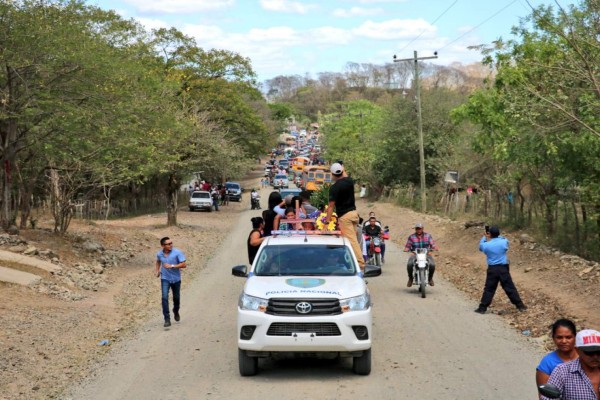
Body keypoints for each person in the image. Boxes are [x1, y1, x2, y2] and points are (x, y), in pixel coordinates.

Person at [474, 225, 527, 314]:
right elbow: (504, 240)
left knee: (489, 289)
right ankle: (520, 306)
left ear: (489, 234)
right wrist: (496, 236)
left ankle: (482, 308)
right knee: (509, 287)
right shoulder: (504, 242)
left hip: (492, 269)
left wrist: (485, 236)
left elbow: (480, 246)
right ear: (498, 234)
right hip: (503, 268)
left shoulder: (486, 245)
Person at [325, 162, 365, 271]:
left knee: (351, 241)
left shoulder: (334, 188)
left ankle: (360, 264)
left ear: (332, 173)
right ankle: (353, 263)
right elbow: (345, 174)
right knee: (354, 240)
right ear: (342, 171)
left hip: (345, 217)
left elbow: (331, 207)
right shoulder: (349, 181)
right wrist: (342, 167)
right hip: (354, 214)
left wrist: (327, 223)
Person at [541, 329, 600, 400]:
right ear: (578, 350)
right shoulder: (562, 372)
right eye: (589, 353)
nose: (595, 357)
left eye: (599, 352)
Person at [155, 237, 187, 328]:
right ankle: (167, 319)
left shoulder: (177, 252)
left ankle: (176, 310)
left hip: (176, 279)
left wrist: (172, 266)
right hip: (165, 278)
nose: (170, 245)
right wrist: (157, 270)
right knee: (164, 297)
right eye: (168, 244)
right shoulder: (159, 254)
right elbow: (158, 261)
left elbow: (184, 264)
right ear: (162, 246)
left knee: (176, 298)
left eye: (171, 243)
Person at [536, 319, 578, 387]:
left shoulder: (586, 356)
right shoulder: (547, 363)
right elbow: (544, 395)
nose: (564, 341)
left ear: (575, 337)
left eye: (568, 337)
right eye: (559, 337)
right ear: (553, 338)